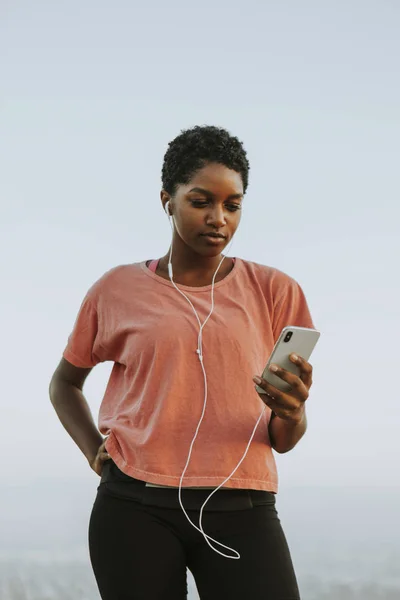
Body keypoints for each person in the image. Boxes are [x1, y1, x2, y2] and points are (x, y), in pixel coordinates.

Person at [49, 125, 316, 600]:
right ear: (166, 200)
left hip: (242, 505)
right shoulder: (116, 289)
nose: (218, 219)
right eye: (200, 201)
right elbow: (65, 382)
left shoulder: (276, 292)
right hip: (133, 505)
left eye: (232, 205)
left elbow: (283, 439)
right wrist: (94, 450)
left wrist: (293, 411)